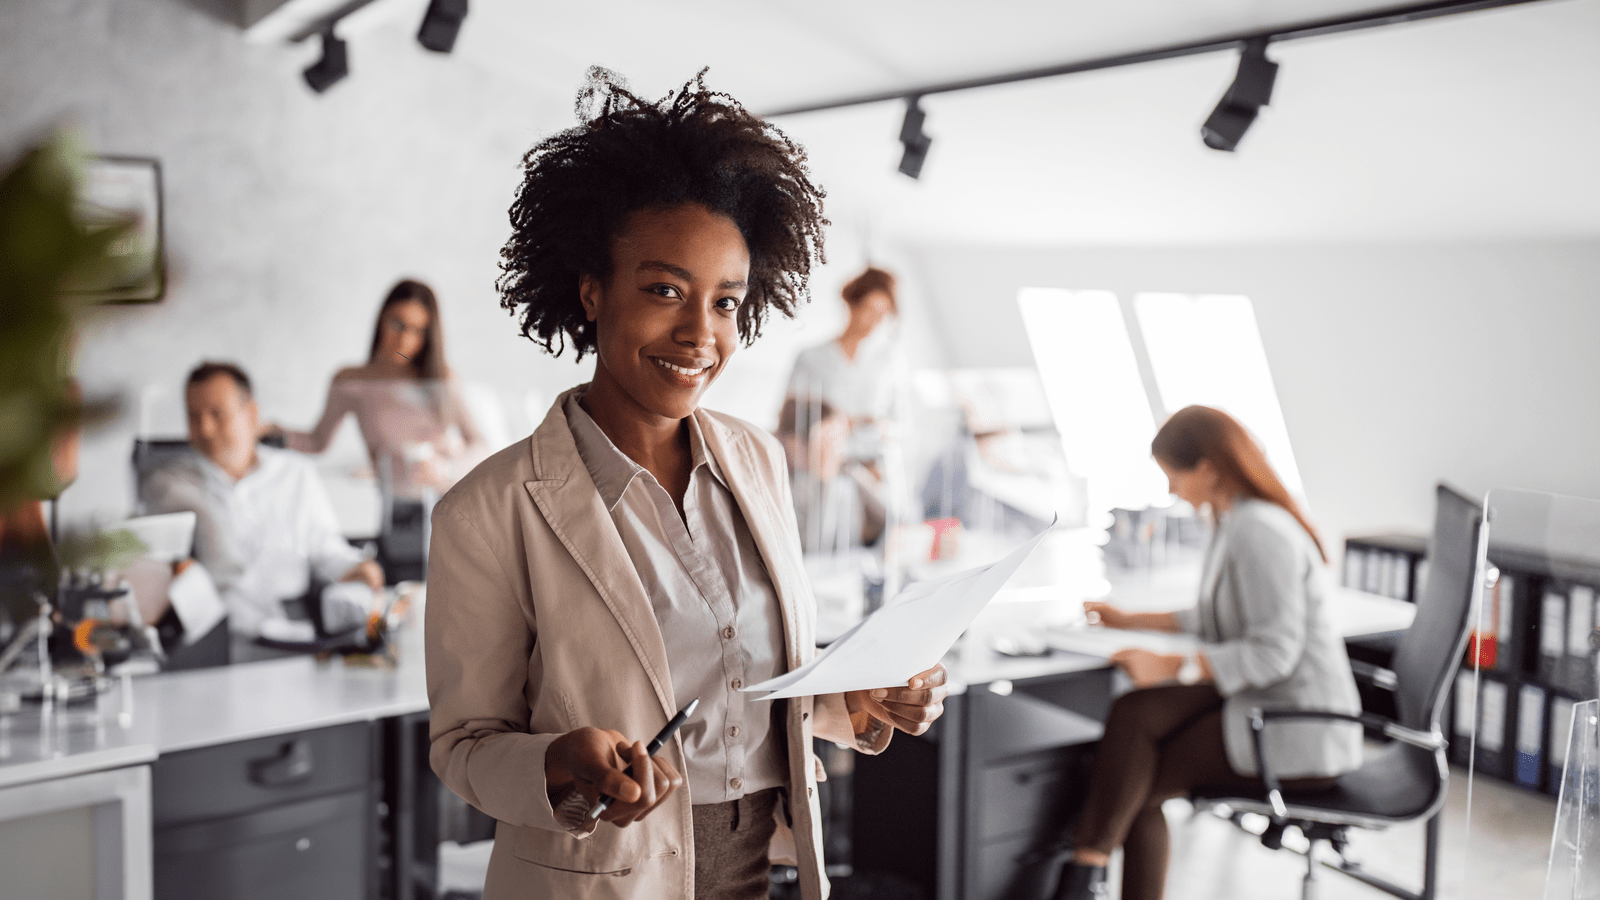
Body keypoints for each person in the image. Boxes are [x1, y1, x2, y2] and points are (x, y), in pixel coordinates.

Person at [425, 69, 948, 900]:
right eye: (665, 289)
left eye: (727, 303)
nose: (699, 334)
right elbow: (462, 745)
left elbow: (753, 682)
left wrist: (864, 699)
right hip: (604, 879)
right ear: (593, 292)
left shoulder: (757, 459)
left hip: (763, 866)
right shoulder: (489, 509)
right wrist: (560, 766)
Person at [1053, 406, 1362, 900]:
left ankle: (1082, 874)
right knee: (1133, 713)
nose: (1171, 490)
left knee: (1139, 783)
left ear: (1208, 468)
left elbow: (1273, 654)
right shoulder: (1230, 520)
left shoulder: (1261, 531)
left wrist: (1171, 665)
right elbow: (1214, 616)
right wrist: (1129, 619)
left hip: (1295, 723)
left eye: (1173, 475)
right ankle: (1084, 871)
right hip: (1260, 699)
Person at [141, 362, 383, 643]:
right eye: (194, 417)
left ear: (251, 415)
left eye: (217, 415)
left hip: (295, 626)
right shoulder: (167, 487)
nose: (205, 429)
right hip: (213, 636)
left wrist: (355, 568)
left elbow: (325, 547)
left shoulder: (296, 474)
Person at [267, 279, 486, 500]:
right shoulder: (351, 382)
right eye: (397, 325)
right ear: (381, 320)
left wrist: (448, 469)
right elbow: (318, 441)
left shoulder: (442, 377)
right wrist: (273, 436)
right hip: (394, 501)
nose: (404, 340)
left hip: (451, 497)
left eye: (417, 331)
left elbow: (481, 445)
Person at [784, 266, 900, 456]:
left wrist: (881, 428)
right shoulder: (811, 358)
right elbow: (790, 420)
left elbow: (897, 423)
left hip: (868, 467)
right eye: (869, 311)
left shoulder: (885, 364)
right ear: (852, 305)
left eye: (881, 315)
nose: (874, 322)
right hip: (818, 464)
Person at [775, 396, 885, 554]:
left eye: (840, 438)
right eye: (829, 440)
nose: (838, 448)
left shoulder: (845, 471)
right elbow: (811, 550)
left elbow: (890, 518)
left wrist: (855, 472)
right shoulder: (783, 486)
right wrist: (824, 478)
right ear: (794, 444)